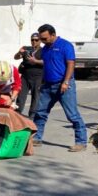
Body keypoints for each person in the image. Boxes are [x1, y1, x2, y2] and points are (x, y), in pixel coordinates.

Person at [33, 24, 87, 152]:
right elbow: (48, 63)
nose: (42, 41)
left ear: (53, 35)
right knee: (40, 113)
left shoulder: (65, 46)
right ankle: (37, 138)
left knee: (72, 115)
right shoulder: (45, 48)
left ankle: (81, 142)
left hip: (63, 85)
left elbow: (70, 64)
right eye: (41, 39)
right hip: (48, 85)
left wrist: (66, 82)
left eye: (45, 38)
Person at [13, 33, 44, 118]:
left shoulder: (43, 50)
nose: (34, 42)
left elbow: (47, 62)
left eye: (36, 40)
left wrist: (36, 61)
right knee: (21, 96)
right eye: (32, 40)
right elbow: (16, 57)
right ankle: (17, 113)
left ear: (40, 41)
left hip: (38, 77)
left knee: (36, 96)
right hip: (25, 76)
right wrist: (19, 52)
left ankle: (32, 115)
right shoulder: (26, 49)